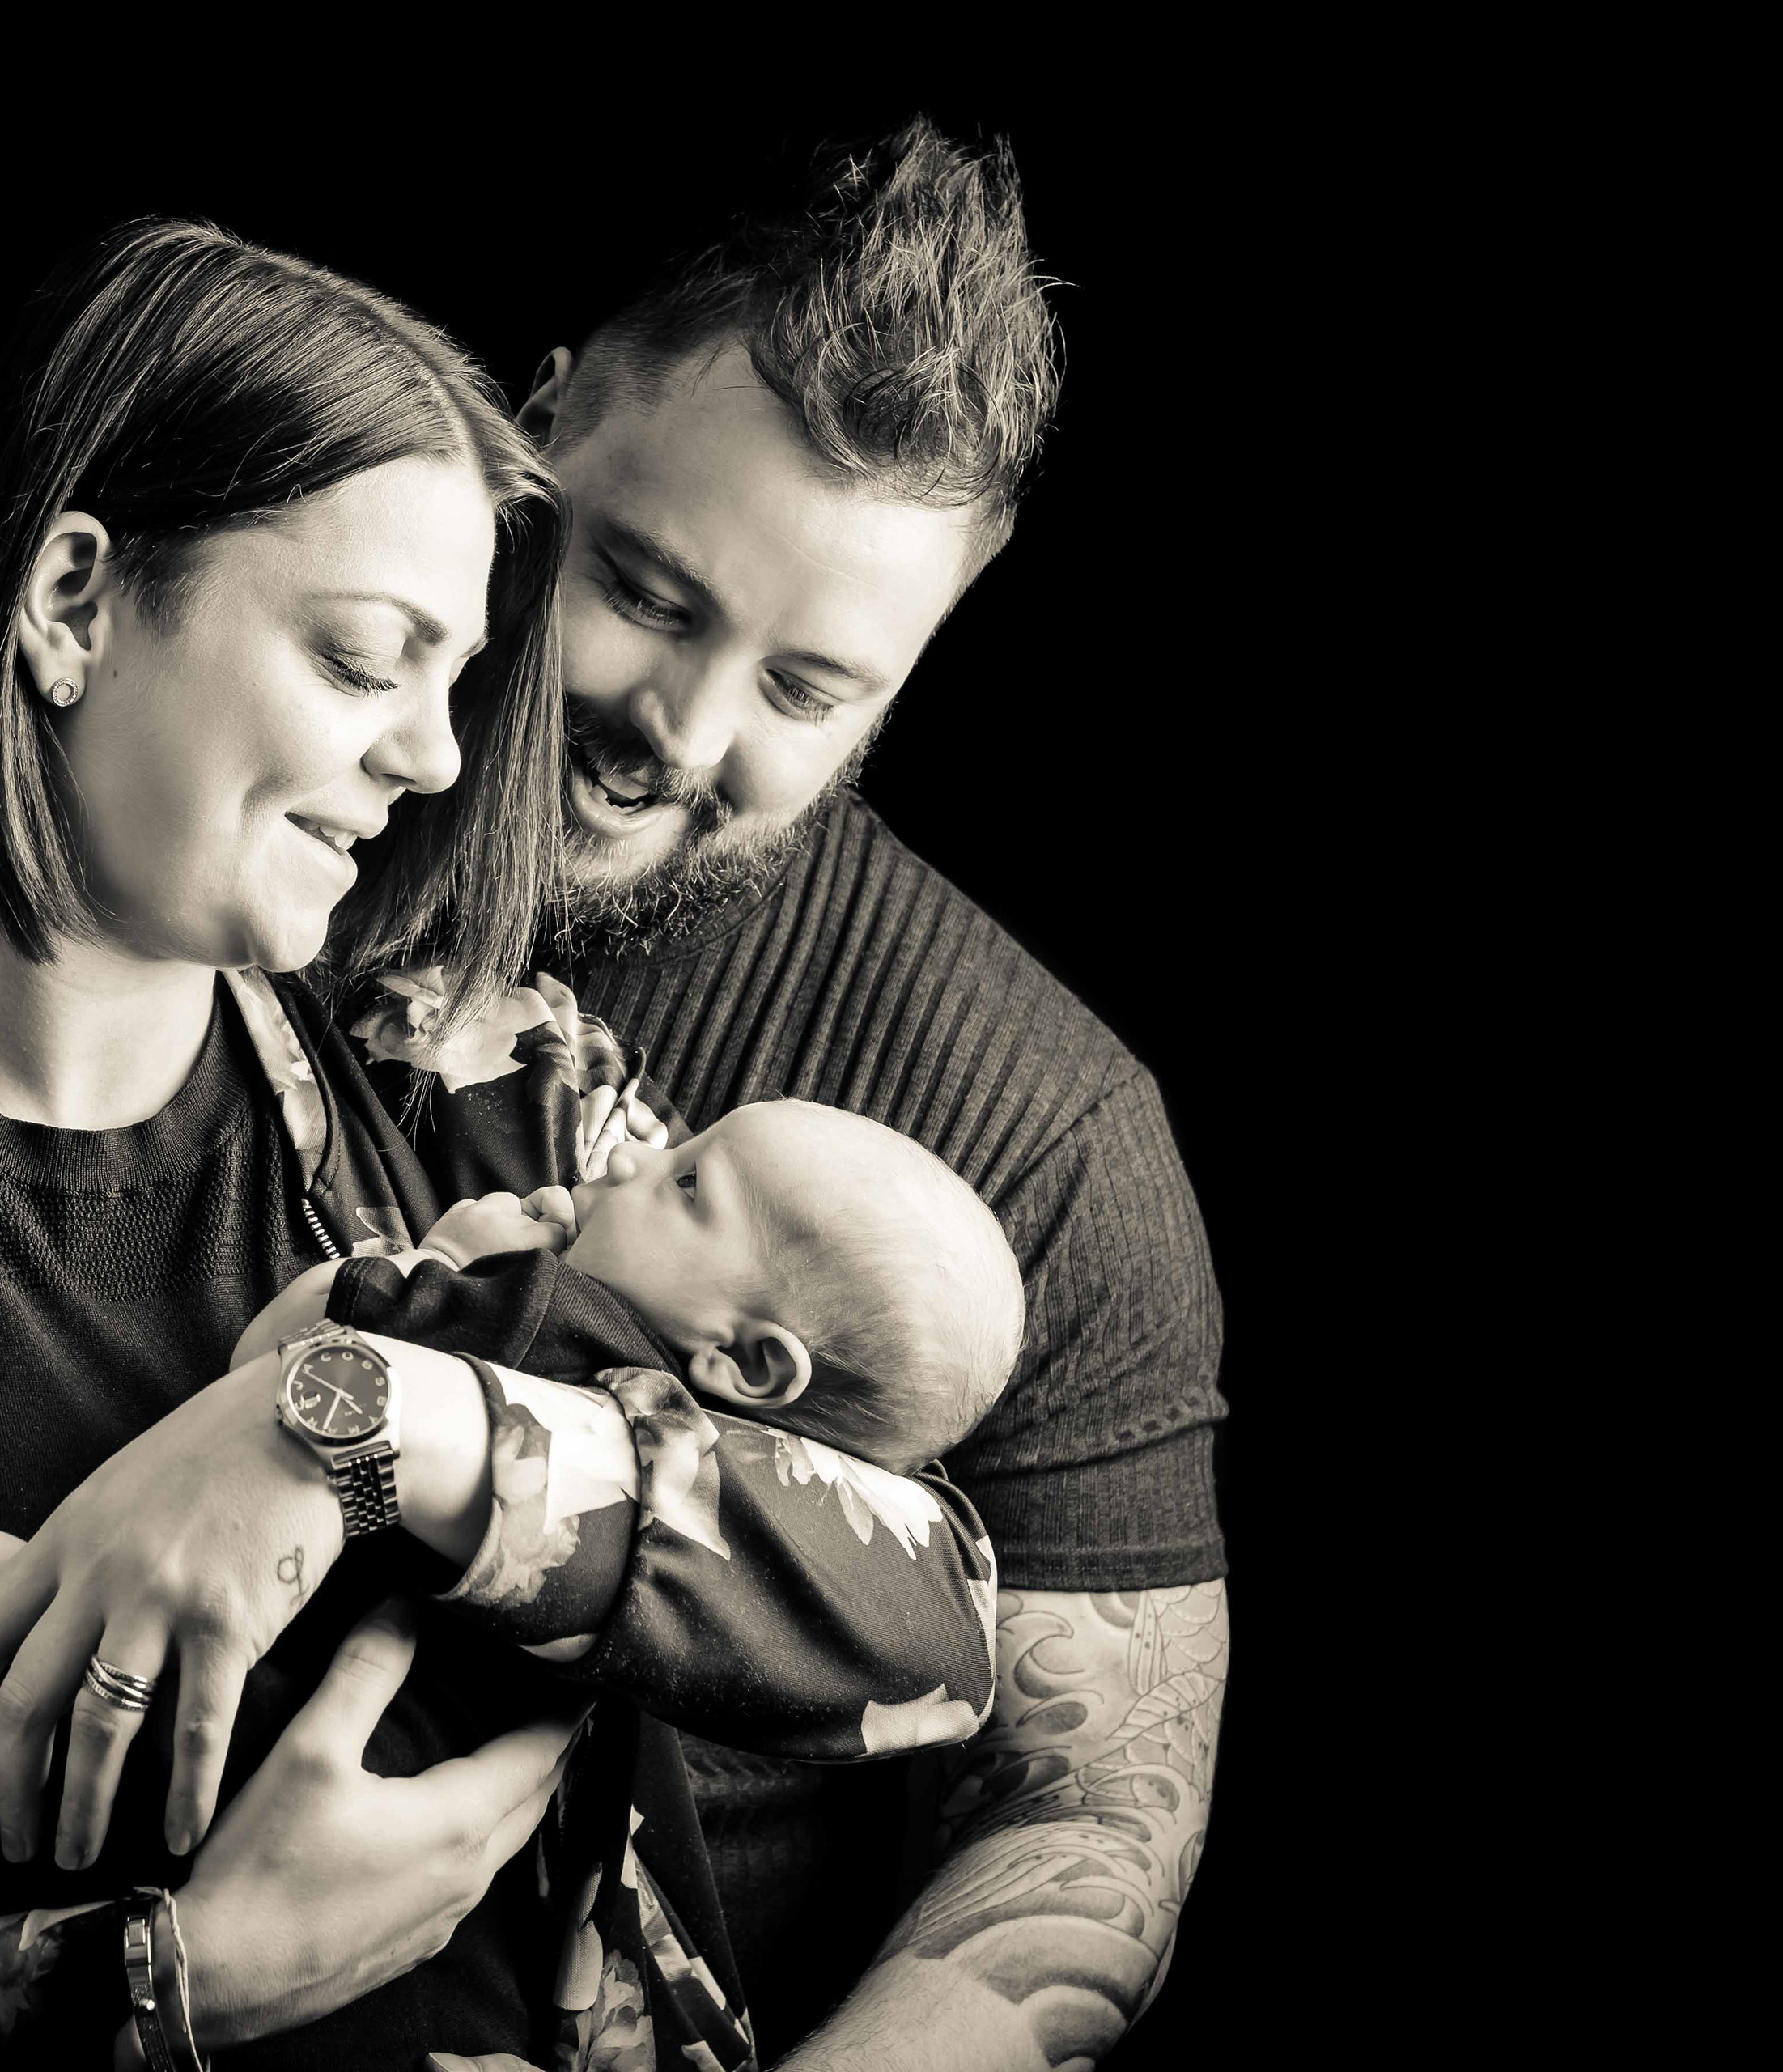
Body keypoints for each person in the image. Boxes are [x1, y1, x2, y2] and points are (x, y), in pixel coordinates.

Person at [0, 216, 1004, 2070]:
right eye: (365, 661)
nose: (438, 760)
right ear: (73, 601)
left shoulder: (487, 1075)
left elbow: (930, 1606)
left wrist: (360, 1428)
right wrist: (164, 1985)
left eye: (455, 682)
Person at [391, 116, 1237, 2064]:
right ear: (536, 427)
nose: (681, 731)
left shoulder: (1045, 1136)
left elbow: (1086, 1810)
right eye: (649, 591)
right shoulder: (234, 821)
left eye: (808, 689)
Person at [0, 1098, 1025, 1848]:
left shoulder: (542, 1309)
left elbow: (284, 1352)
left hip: (216, 1721)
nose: (632, 1152)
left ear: (751, 1367)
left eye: (688, 1181)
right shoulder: (664, 1420)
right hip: (250, 1770)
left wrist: (437, 1275)